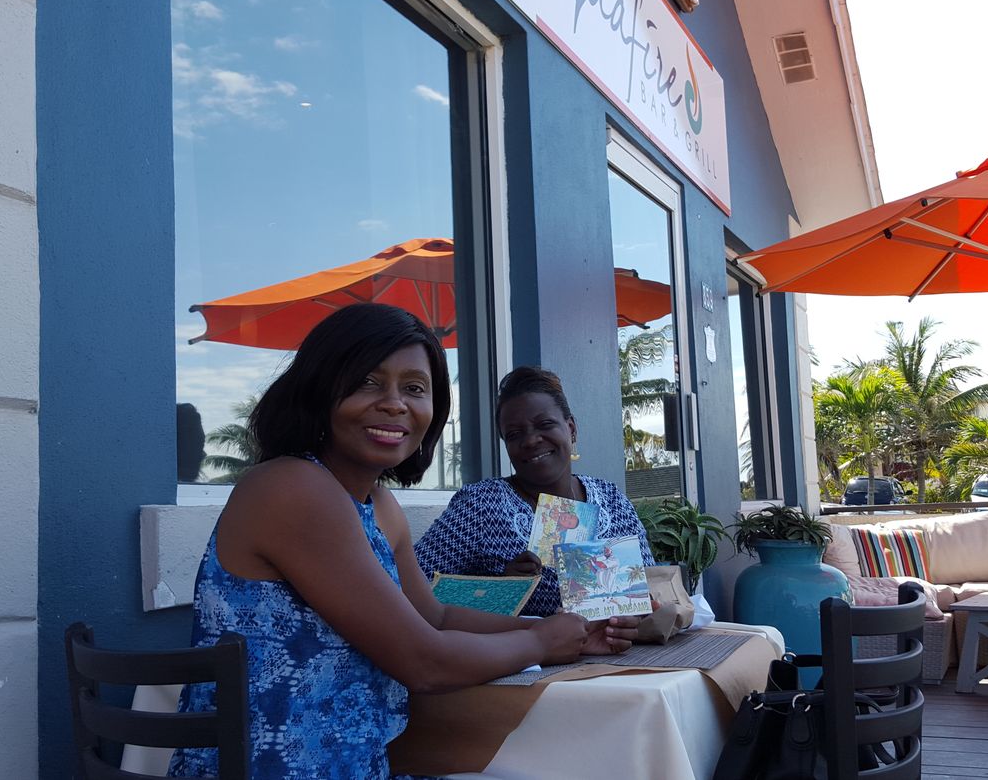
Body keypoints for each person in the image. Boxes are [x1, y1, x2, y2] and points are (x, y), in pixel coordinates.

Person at [169, 304, 640, 779]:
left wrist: (561, 630)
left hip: (360, 763)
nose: (395, 403)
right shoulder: (292, 487)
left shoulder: (379, 504)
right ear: (319, 389)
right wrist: (540, 641)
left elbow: (436, 616)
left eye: (415, 388)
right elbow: (424, 662)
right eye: (367, 382)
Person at [414, 365, 655, 617]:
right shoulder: (481, 504)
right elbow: (409, 589)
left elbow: (652, 590)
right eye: (514, 434)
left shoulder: (612, 500)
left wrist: (639, 620)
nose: (530, 440)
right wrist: (500, 590)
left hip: (621, 643)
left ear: (571, 429)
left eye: (545, 424)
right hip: (528, 644)